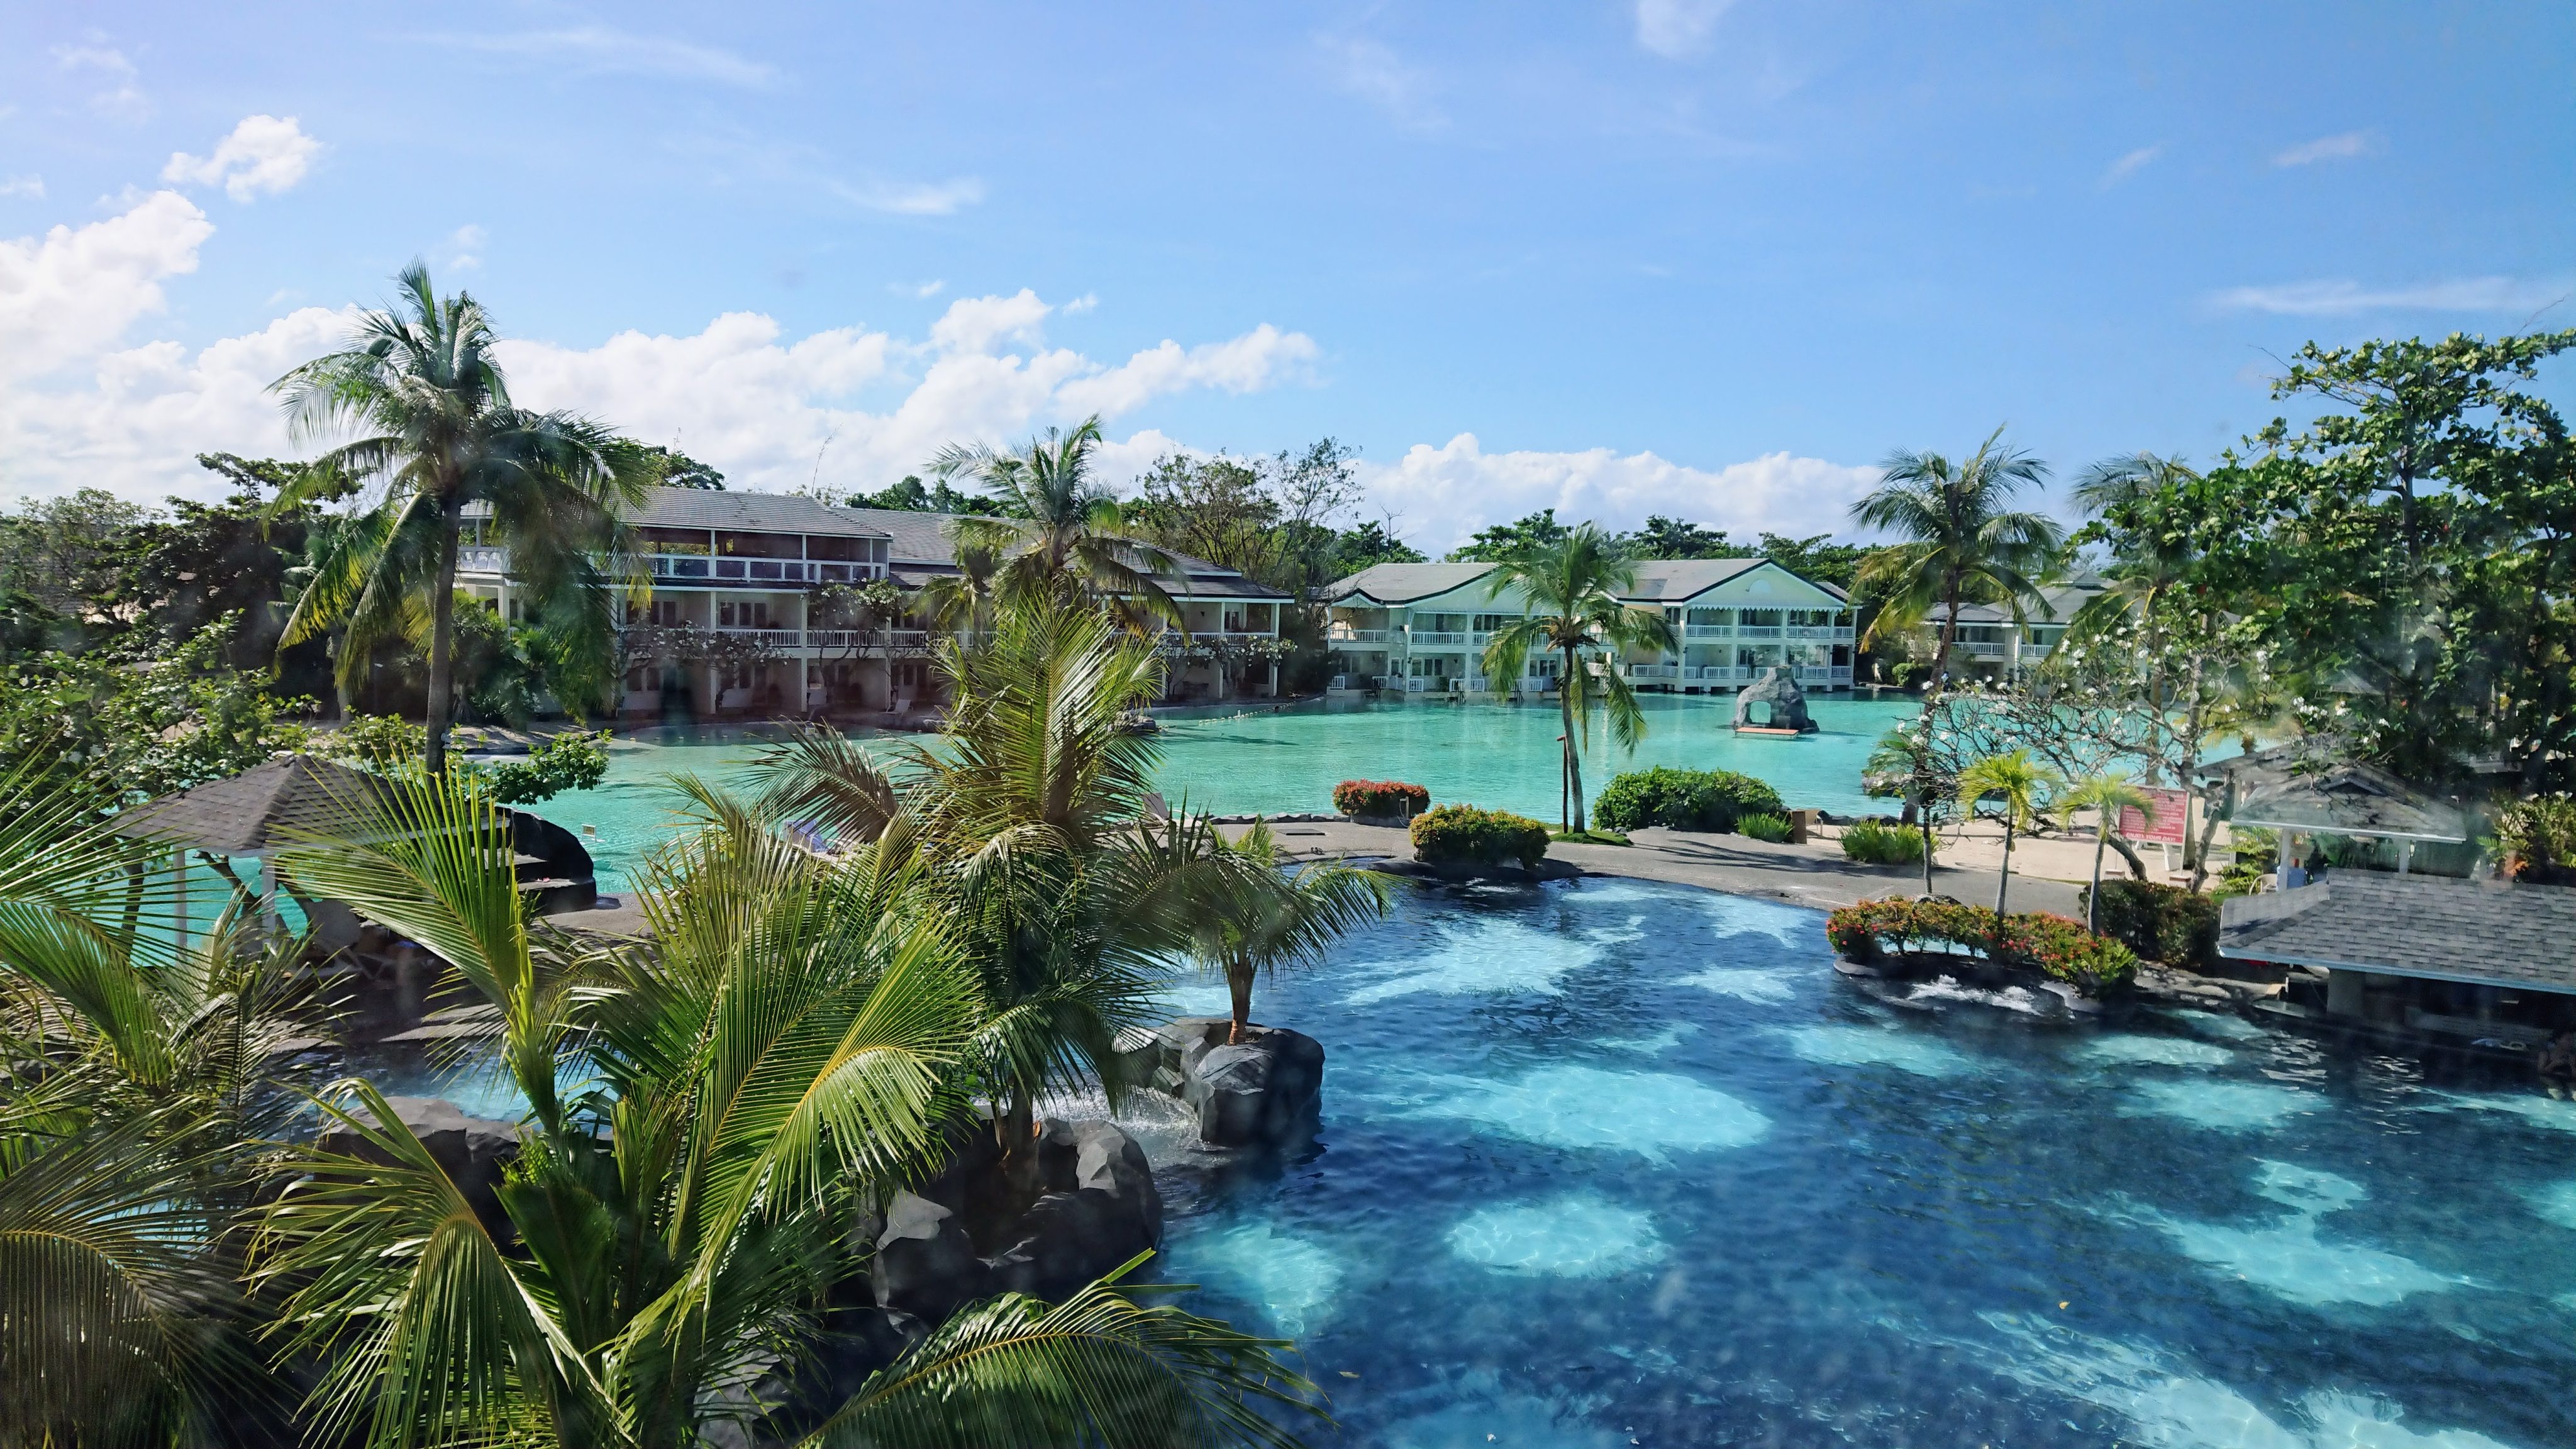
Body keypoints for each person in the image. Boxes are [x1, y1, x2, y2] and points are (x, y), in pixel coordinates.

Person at [2540, 1028, 2576, 1099]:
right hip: (2551, 1080)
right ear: (2558, 1040)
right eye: (2568, 1040)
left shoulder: (2572, 1056)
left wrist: (2572, 1065)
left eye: (2572, 1040)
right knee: (2557, 1094)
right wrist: (2554, 1064)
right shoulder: (2546, 1054)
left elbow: (2574, 1076)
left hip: (2568, 1082)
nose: (2571, 1043)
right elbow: (2541, 1072)